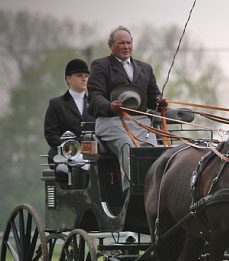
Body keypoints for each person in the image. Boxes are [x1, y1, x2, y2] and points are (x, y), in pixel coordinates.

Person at [87, 25, 166, 192]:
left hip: (140, 122)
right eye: (121, 43)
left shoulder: (145, 68)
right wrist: (109, 106)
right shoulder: (100, 66)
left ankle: (156, 190)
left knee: (152, 150)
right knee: (128, 146)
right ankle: (133, 191)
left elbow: (153, 96)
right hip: (111, 122)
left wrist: (160, 101)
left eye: (129, 43)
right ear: (110, 46)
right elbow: (95, 97)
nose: (126, 47)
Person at [44, 58, 96, 166]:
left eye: (86, 76)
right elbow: (51, 134)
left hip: (92, 154)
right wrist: (70, 147)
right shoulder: (56, 104)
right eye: (79, 76)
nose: (84, 79)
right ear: (68, 78)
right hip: (65, 155)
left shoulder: (95, 104)